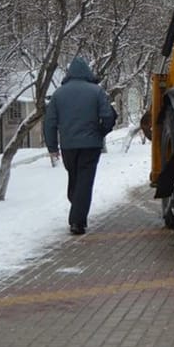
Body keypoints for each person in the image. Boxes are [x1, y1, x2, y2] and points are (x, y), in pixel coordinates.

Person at [43, 57, 117, 235]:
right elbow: (108, 116)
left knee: (75, 177)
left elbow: (49, 123)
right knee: (84, 181)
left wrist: (52, 147)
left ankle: (76, 209)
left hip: (68, 146)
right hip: (91, 145)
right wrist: (101, 132)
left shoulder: (59, 94)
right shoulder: (96, 91)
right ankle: (77, 220)